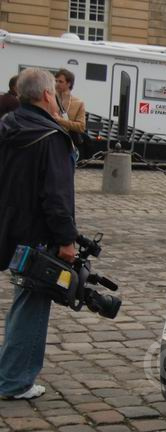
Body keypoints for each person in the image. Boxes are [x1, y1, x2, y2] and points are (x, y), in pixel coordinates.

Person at [0, 68, 78, 400]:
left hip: (8, 227)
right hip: (36, 234)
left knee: (22, 301)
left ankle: (11, 372)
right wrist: (67, 240)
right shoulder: (51, 137)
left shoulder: (6, 126)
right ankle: (15, 380)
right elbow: (56, 197)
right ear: (47, 95)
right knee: (32, 303)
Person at [53, 68, 86, 162]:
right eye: (56, 81)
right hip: (50, 141)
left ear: (69, 84)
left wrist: (61, 121)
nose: (57, 83)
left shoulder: (78, 103)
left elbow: (81, 127)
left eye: (60, 81)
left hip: (66, 144)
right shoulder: (49, 98)